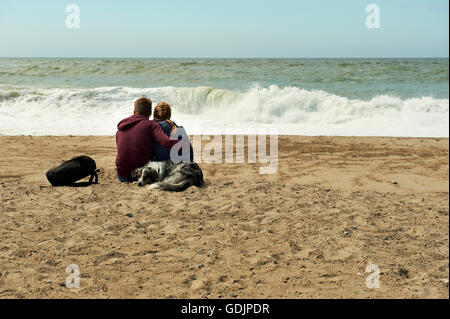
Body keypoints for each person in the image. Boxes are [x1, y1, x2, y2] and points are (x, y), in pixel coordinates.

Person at [115, 97, 179, 183]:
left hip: (122, 175)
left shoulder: (120, 128)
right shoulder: (151, 125)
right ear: (150, 113)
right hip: (142, 174)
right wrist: (181, 143)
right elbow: (166, 142)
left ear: (134, 112)